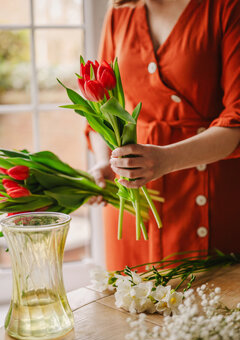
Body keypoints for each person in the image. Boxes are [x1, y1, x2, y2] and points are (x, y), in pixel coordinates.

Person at [86, 0, 240, 271]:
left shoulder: (227, 8)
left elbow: (237, 122)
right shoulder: (120, 11)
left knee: (204, 303)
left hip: (205, 190)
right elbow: (101, 107)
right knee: (128, 303)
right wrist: (107, 161)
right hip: (133, 198)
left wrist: (165, 160)